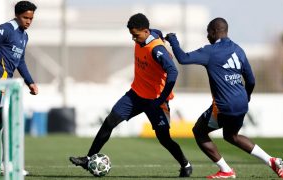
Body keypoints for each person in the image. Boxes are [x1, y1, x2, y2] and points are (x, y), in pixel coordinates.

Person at [69, 13, 192, 177]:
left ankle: (185, 164)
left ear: (146, 31)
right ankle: (88, 158)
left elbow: (173, 72)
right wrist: (167, 36)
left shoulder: (156, 49)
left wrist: (161, 99)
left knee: (164, 139)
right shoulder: (152, 33)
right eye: (132, 35)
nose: (133, 39)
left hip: (156, 101)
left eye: (136, 35)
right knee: (109, 121)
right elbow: (159, 32)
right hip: (135, 95)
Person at [164, 17, 283, 178]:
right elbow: (250, 80)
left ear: (215, 32)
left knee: (199, 131)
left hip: (224, 105)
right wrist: (247, 97)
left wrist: (173, 40)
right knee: (232, 136)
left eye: (208, 32)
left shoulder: (210, 51)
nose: (207, 36)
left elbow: (183, 58)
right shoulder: (238, 49)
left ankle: (226, 170)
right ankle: (272, 160)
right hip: (242, 103)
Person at [0, 1, 38, 177]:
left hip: (7, 85)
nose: (28, 21)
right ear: (17, 15)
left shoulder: (24, 36)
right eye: (26, 17)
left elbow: (20, 62)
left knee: (3, 122)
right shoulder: (5, 29)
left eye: (31, 18)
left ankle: (6, 164)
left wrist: (30, 82)